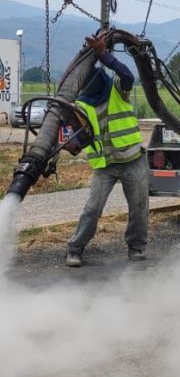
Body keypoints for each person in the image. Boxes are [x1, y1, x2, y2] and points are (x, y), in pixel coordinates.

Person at [66, 33, 148, 267]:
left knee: (139, 208)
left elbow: (127, 75)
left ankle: (136, 248)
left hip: (132, 159)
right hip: (105, 165)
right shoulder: (81, 105)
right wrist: (74, 143)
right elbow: (80, 134)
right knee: (92, 209)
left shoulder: (117, 89)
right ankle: (75, 249)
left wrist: (104, 55)